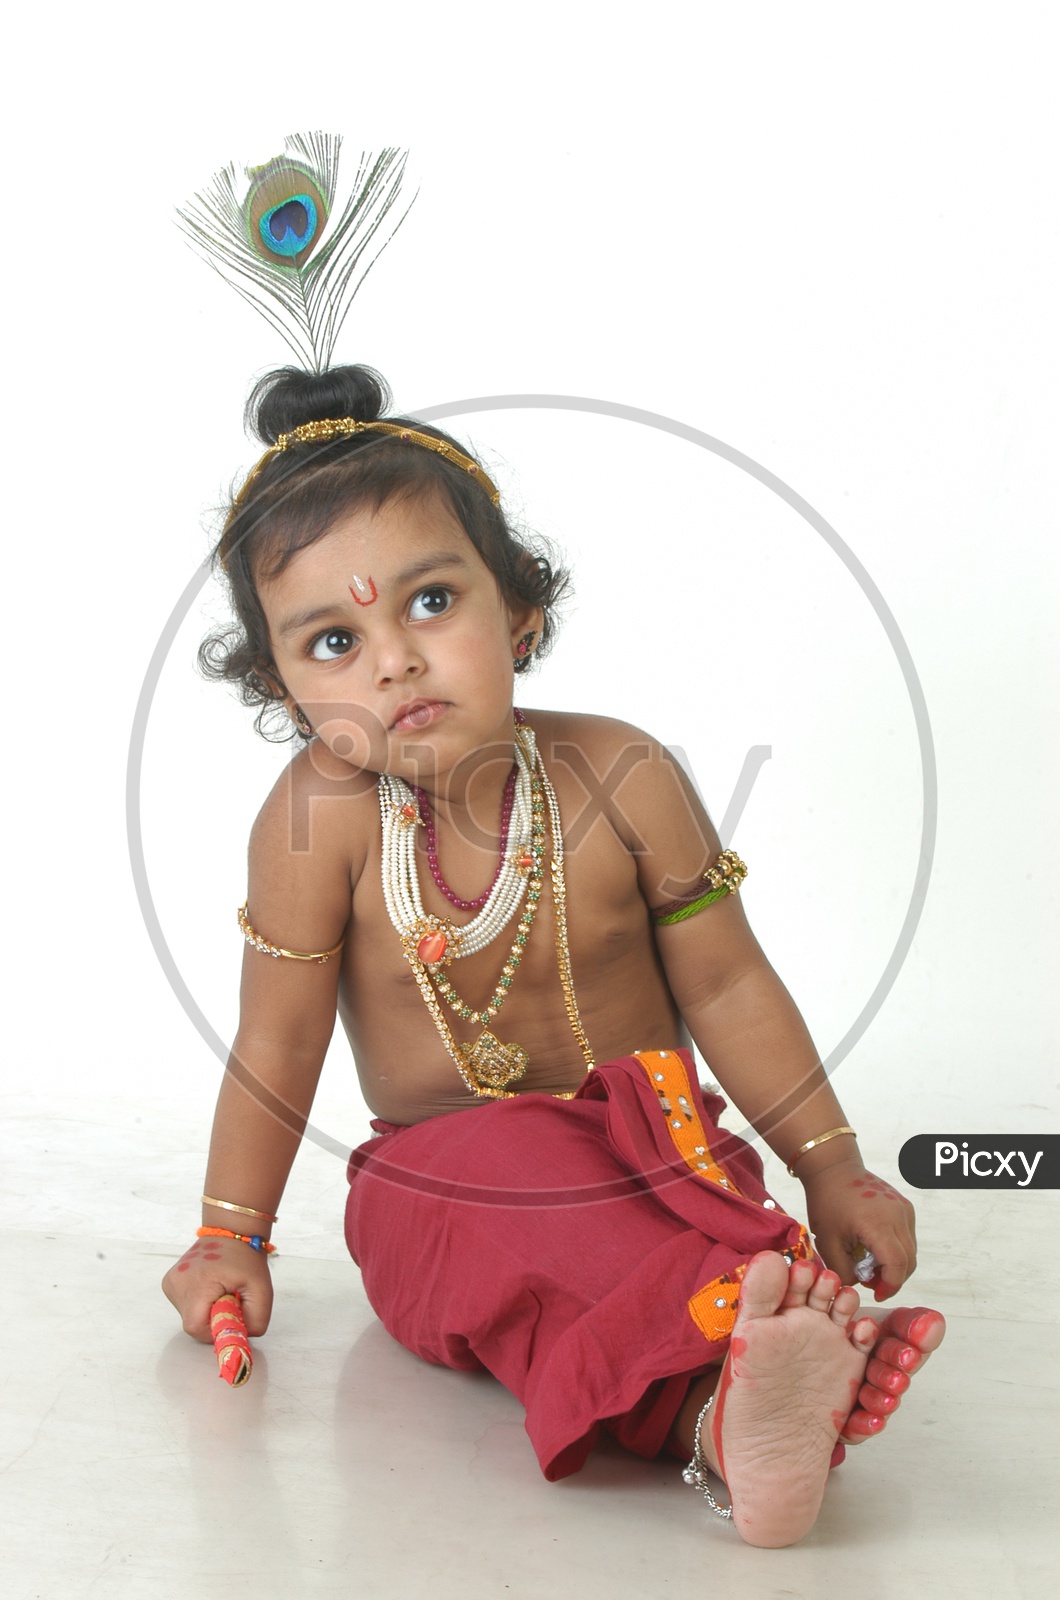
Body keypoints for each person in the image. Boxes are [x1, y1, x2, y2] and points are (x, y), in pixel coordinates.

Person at [162, 362, 945, 1548]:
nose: (393, 661)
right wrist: (231, 1236)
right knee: (529, 1212)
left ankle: (726, 1422)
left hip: (653, 1155)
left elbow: (728, 983)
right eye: (333, 638)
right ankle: (759, 1362)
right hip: (437, 1191)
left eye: (430, 603)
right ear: (280, 687)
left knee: (697, 1233)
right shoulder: (311, 824)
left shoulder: (620, 776)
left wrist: (829, 1165)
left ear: (517, 606)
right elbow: (275, 1042)